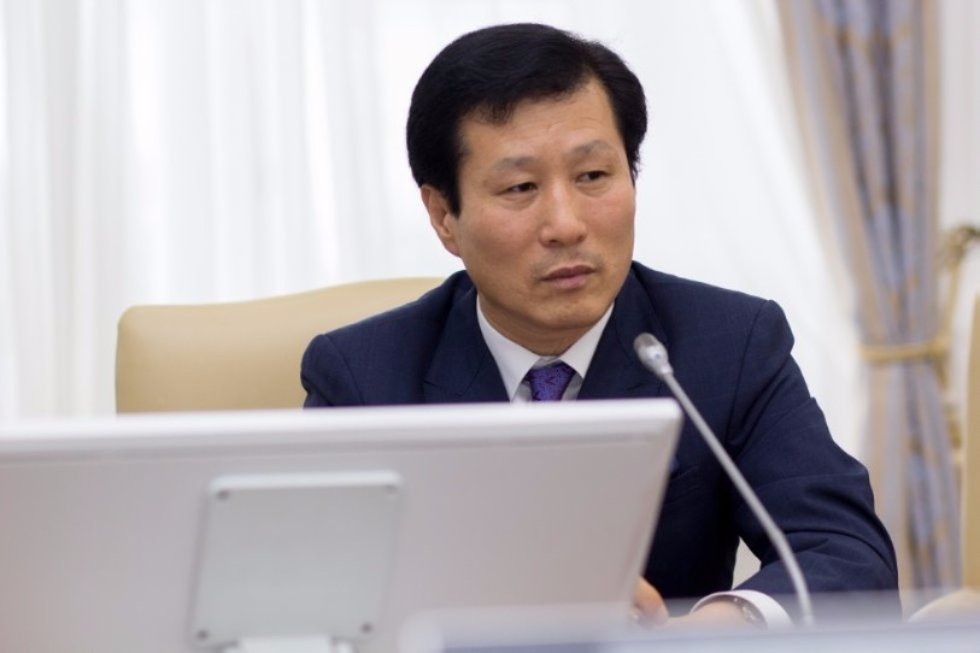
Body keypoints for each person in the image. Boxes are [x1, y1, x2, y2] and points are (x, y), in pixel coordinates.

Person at [301, 22, 898, 627]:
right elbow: (309, 595)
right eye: (520, 187)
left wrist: (716, 626)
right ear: (443, 216)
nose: (566, 224)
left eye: (592, 177)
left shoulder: (730, 344)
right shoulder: (364, 379)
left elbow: (846, 554)